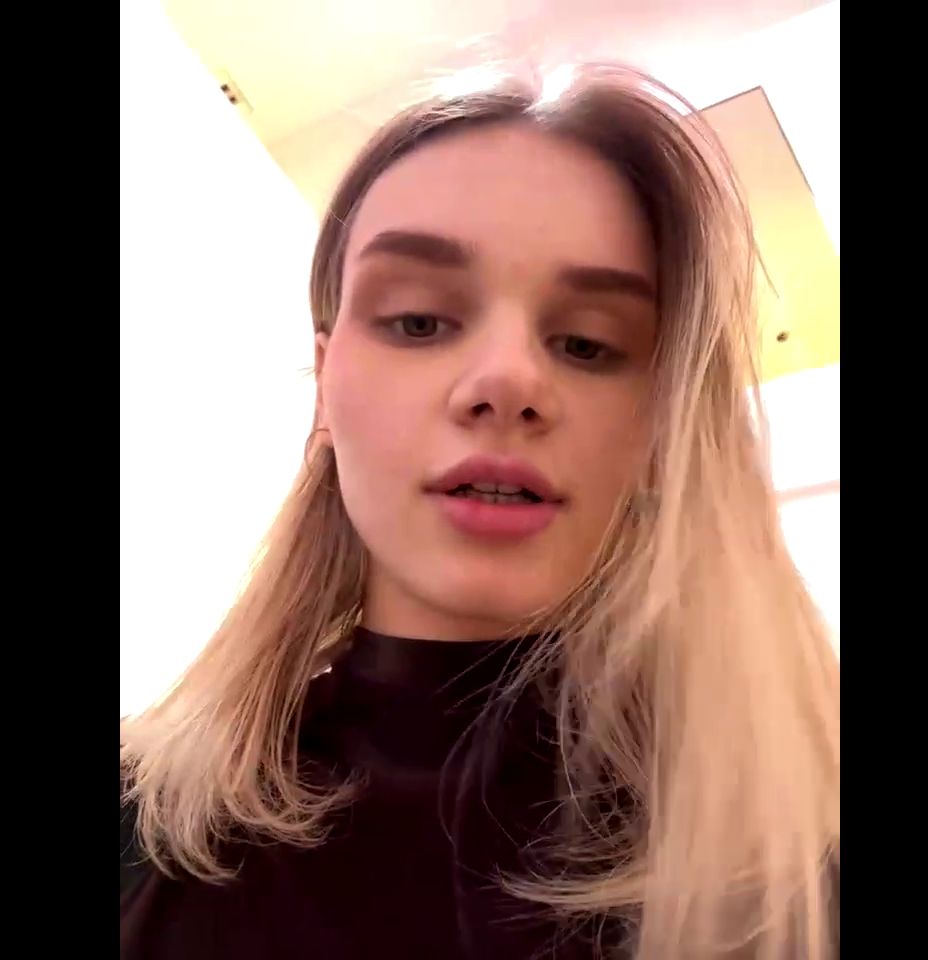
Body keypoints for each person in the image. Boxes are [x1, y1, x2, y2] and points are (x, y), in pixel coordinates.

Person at [120, 62, 840, 960]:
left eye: (587, 343)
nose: (508, 380)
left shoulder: (801, 840)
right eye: (418, 321)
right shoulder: (141, 811)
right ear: (325, 387)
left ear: (662, 426)